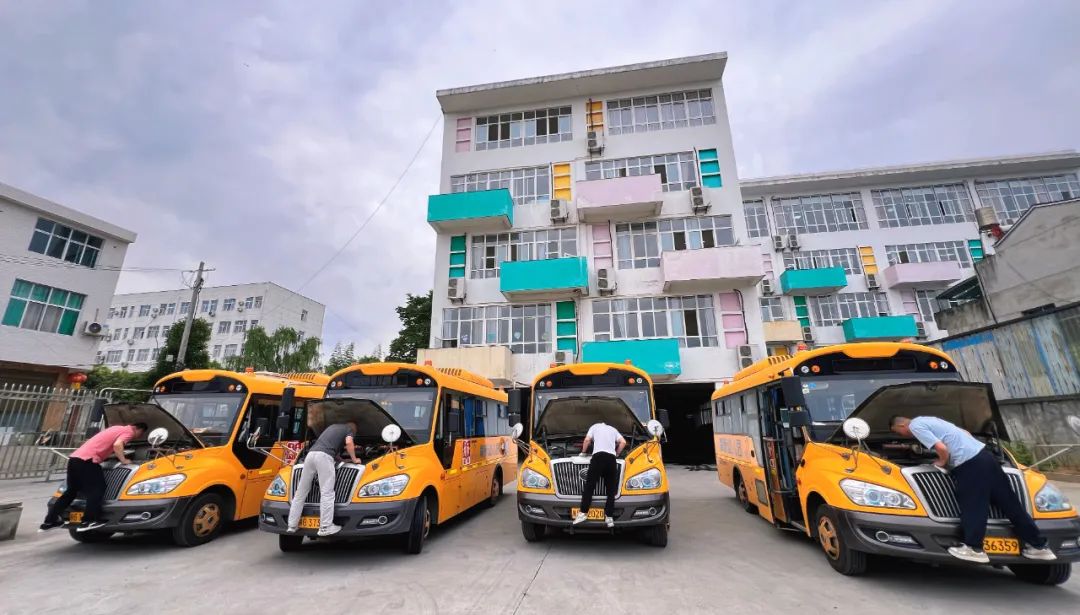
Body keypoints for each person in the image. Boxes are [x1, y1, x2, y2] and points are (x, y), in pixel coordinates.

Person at [890, 415, 1056, 564]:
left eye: (898, 432)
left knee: (973, 504)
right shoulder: (931, 419)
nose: (902, 436)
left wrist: (941, 463)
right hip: (987, 458)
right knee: (1010, 503)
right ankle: (1038, 546)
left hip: (970, 464)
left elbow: (942, 448)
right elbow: (966, 433)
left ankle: (973, 548)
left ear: (900, 426)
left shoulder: (915, 426)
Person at [40, 421, 148, 532]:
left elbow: (103, 444)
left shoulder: (115, 428)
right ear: (138, 429)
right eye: (141, 434)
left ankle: (49, 521)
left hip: (74, 459)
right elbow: (117, 445)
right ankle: (89, 521)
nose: (138, 437)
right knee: (97, 489)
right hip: (88, 460)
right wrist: (124, 460)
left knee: (71, 492)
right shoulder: (129, 432)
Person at [287, 421, 360, 537]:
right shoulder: (349, 429)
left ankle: (292, 525)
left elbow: (329, 447)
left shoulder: (332, 427)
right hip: (324, 457)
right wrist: (355, 459)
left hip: (311, 455)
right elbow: (349, 442)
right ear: (354, 430)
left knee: (301, 492)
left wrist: (342, 460)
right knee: (327, 493)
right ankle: (325, 527)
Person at [573, 422, 627, 528]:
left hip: (598, 458)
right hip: (611, 459)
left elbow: (587, 440)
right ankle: (609, 517)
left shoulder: (594, 427)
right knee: (611, 490)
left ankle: (583, 513)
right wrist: (617, 453)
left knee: (590, 486)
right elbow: (623, 442)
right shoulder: (613, 429)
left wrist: (583, 452)